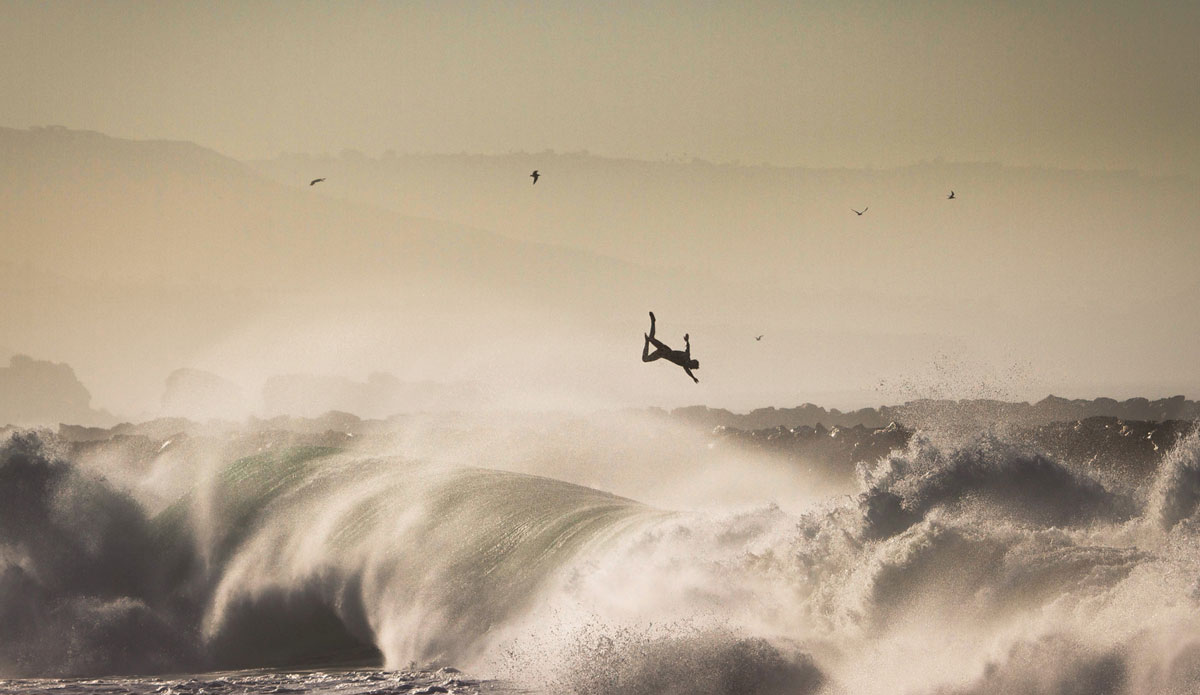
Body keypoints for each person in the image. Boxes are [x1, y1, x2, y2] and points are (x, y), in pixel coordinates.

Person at [642, 312, 700, 383]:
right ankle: (649, 335)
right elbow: (688, 371)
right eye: (693, 367)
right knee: (645, 357)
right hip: (664, 351)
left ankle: (653, 323)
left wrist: (687, 341)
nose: (691, 369)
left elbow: (688, 347)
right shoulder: (685, 363)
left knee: (651, 339)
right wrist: (693, 378)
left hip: (663, 351)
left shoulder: (686, 360)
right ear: (692, 363)